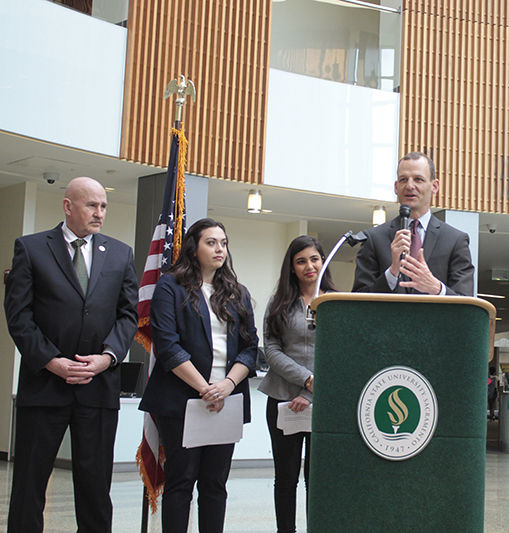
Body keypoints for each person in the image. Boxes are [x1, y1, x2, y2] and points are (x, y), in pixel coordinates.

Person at [4, 177, 138, 532]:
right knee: (30, 484)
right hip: (44, 386)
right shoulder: (31, 249)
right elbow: (19, 317)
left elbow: (128, 316)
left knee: (95, 487)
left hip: (98, 386)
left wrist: (108, 357)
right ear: (68, 206)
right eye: (91, 205)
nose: (99, 213)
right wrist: (52, 361)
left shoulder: (121, 253)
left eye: (104, 206)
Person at [138, 218, 258, 533]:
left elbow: (250, 348)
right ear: (194, 247)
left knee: (215, 484)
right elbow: (168, 347)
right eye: (211, 242)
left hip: (226, 400)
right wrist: (206, 389)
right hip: (183, 401)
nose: (219, 249)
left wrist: (228, 384)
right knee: (180, 482)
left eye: (223, 242)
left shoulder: (237, 292)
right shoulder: (170, 286)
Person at [259, 235, 335, 533]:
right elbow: (271, 350)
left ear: (322, 261)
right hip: (281, 400)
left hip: (322, 403)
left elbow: (339, 352)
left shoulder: (336, 301)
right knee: (286, 477)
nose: (309, 266)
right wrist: (306, 380)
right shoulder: (278, 303)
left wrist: (311, 391)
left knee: (316, 478)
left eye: (314, 259)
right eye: (301, 261)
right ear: (291, 267)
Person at [352, 151, 474, 296]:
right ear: (396, 187)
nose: (410, 186)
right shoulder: (374, 238)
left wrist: (436, 288)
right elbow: (359, 301)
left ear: (434, 186)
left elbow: (466, 305)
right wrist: (392, 272)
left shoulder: (455, 240)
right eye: (404, 180)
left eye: (418, 179)